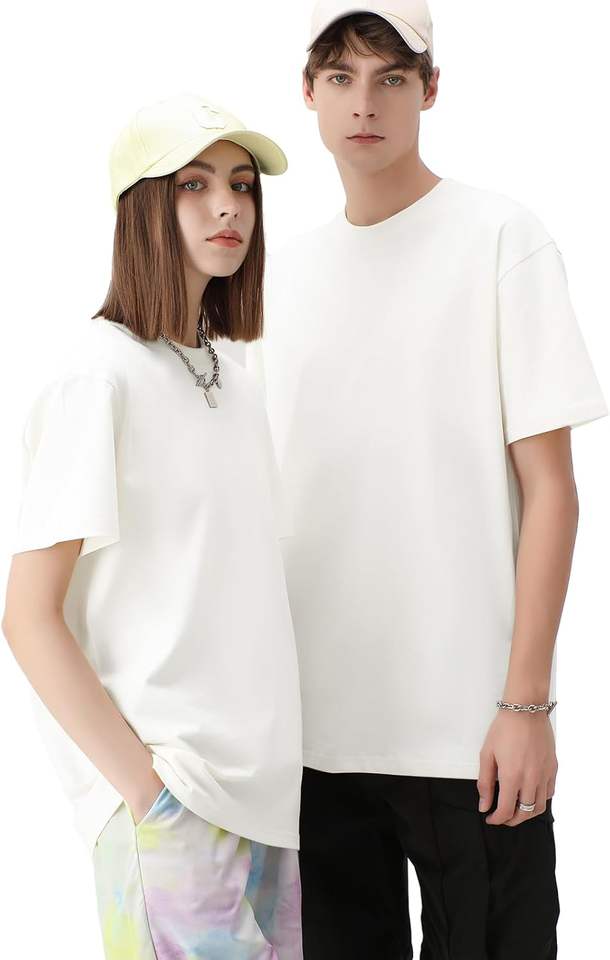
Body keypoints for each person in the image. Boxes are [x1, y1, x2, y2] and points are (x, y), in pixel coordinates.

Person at [246, 2, 608, 958]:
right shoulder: (277, 277)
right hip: (311, 740)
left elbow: (553, 492)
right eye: (340, 78)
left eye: (391, 78)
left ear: (431, 90)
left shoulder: (500, 238)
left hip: (470, 736)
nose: (364, 103)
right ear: (309, 92)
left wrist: (526, 706)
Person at [2, 92, 304, 959]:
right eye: (194, 185)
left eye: (242, 185)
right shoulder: (97, 378)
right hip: (173, 803)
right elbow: (28, 614)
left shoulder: (231, 378)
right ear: (142, 208)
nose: (227, 207)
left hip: (265, 800)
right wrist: (146, 794)